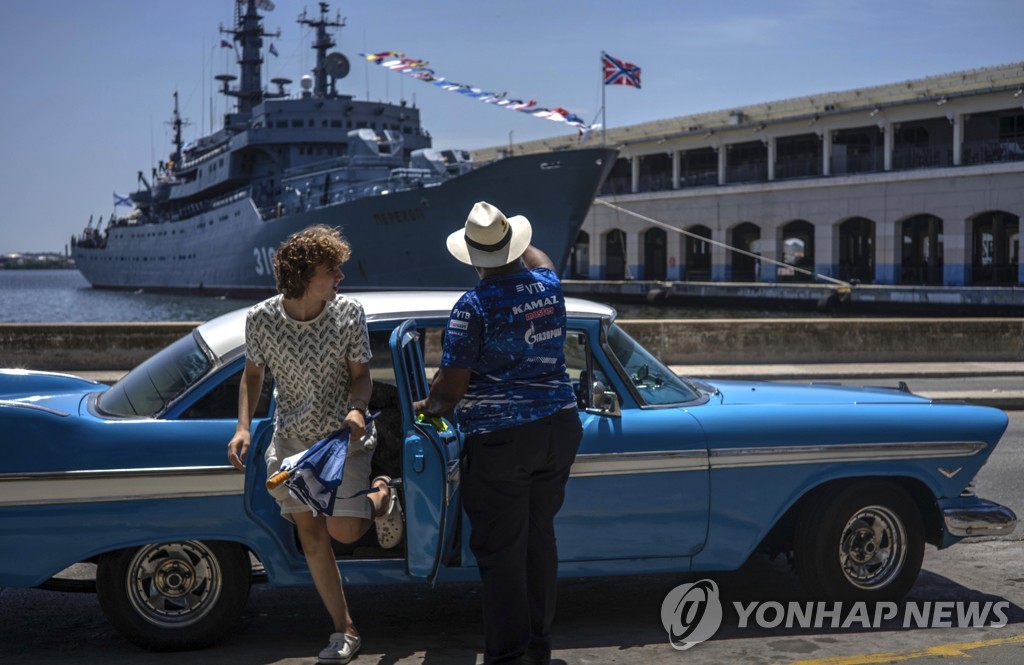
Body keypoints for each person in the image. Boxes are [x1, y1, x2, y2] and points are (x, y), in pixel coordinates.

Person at [413, 201, 583, 665]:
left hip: (504, 438)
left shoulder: (472, 307)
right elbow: (540, 258)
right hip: (560, 427)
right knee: (538, 539)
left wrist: (426, 405)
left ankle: (508, 656)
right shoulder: (548, 285)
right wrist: (512, 240)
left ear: (471, 257)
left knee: (500, 552)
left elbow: (450, 388)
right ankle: (539, 646)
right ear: (516, 245)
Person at [227, 225, 402, 665]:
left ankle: (383, 497)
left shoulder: (349, 313)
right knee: (311, 534)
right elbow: (252, 376)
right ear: (305, 275)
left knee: (342, 529)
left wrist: (359, 408)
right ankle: (345, 630)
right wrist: (243, 427)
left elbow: (361, 376)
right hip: (292, 441)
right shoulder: (261, 319)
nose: (342, 275)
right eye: (332, 269)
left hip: (346, 438)